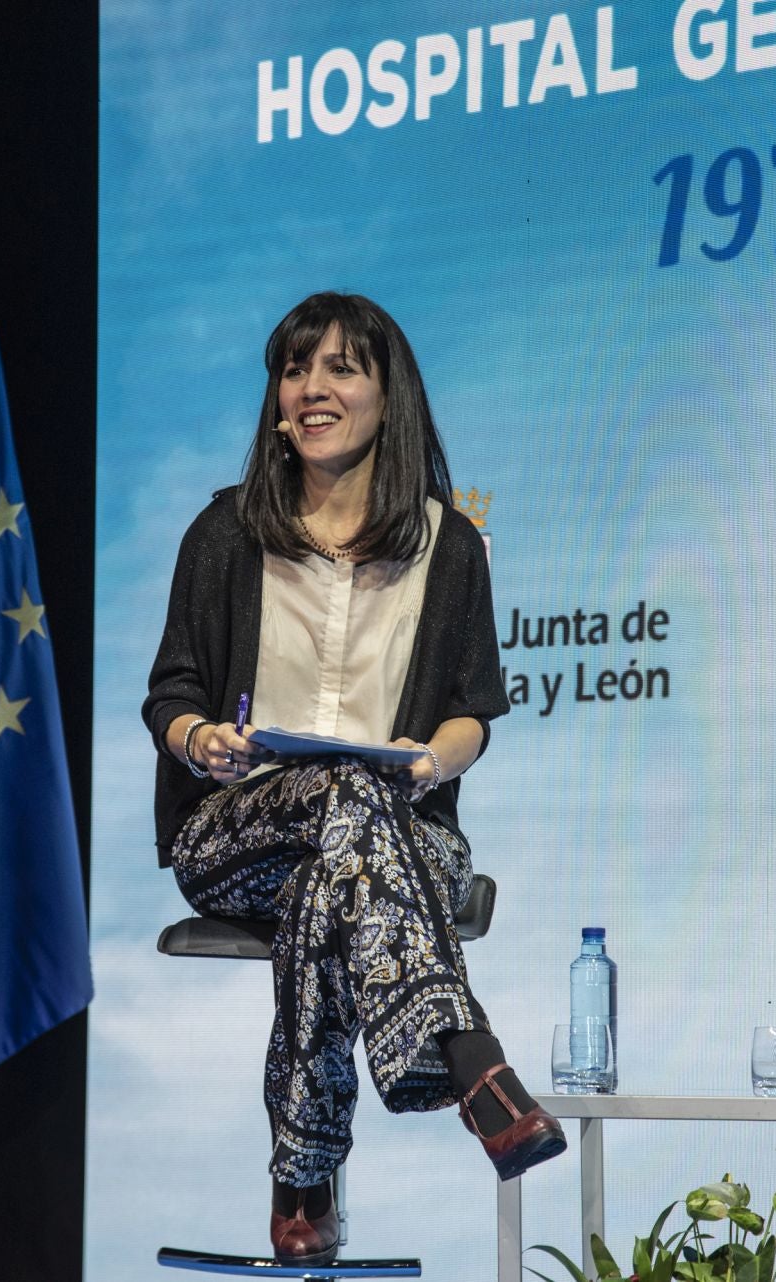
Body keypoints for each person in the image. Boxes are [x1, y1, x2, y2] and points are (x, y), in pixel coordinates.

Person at [142, 291, 565, 1266]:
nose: (311, 388)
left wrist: (428, 760)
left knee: (341, 859)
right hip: (239, 829)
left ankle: (303, 1180)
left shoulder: (445, 546)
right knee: (343, 801)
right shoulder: (225, 535)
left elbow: (470, 714)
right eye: (294, 369)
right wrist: (203, 741)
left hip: (401, 828)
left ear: (389, 393)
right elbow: (171, 692)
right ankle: (471, 1060)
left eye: (339, 367)